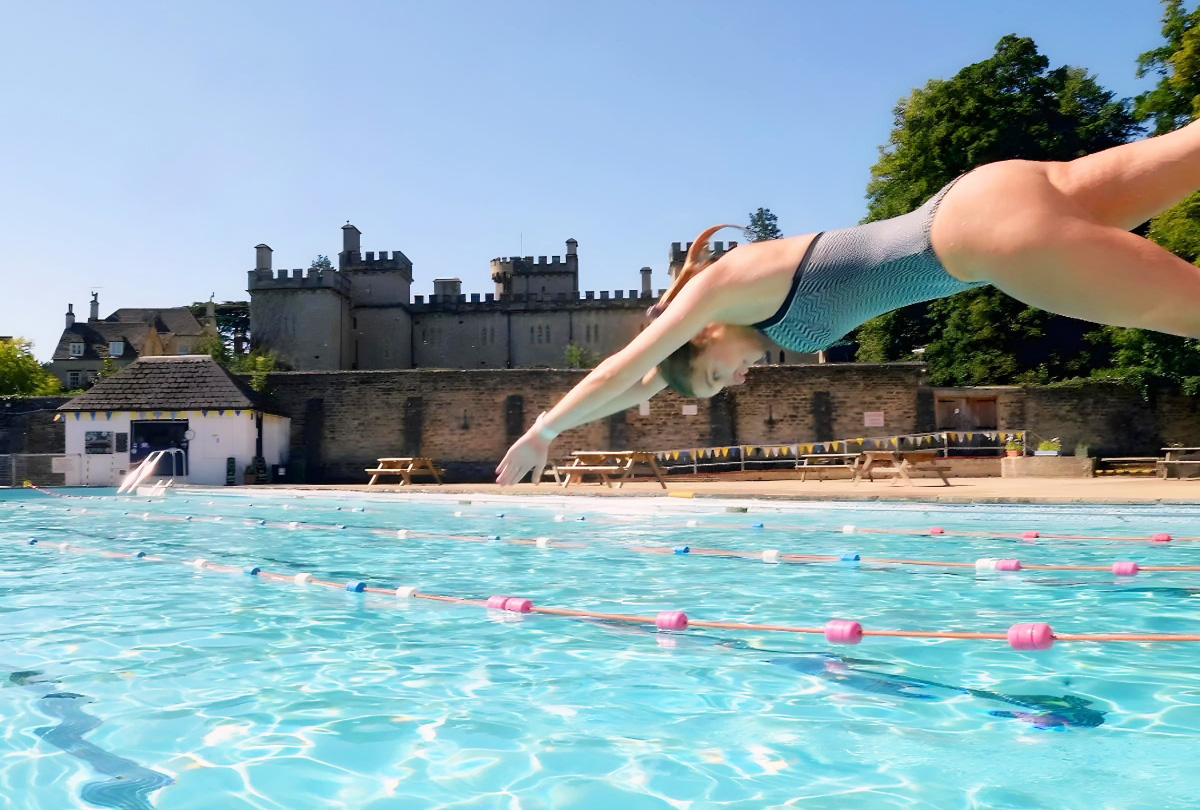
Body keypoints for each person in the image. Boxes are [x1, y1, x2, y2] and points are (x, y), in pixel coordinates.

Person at [496, 120, 1200, 486]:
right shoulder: (744, 308)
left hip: (990, 237)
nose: (737, 381)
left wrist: (543, 432)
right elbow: (638, 386)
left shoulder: (724, 287)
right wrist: (571, 428)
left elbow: (623, 368)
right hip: (988, 193)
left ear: (703, 336)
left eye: (715, 374)